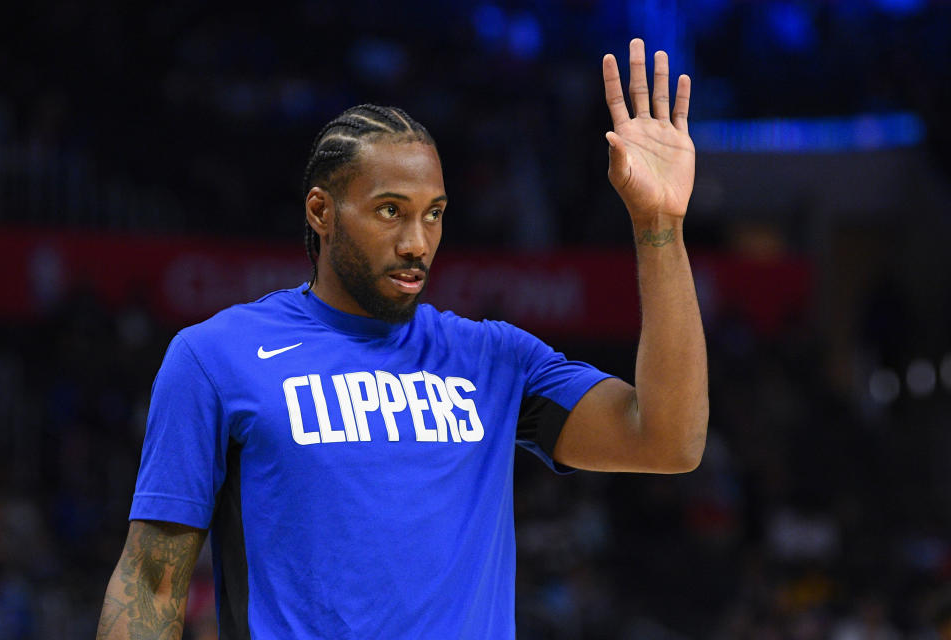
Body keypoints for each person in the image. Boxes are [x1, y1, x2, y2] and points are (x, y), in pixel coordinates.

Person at [96, 38, 708, 639]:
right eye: (391, 210)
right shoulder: (215, 358)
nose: (418, 241)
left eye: (434, 213)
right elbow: (151, 584)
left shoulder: (494, 360)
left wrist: (660, 224)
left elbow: (668, 441)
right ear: (321, 211)